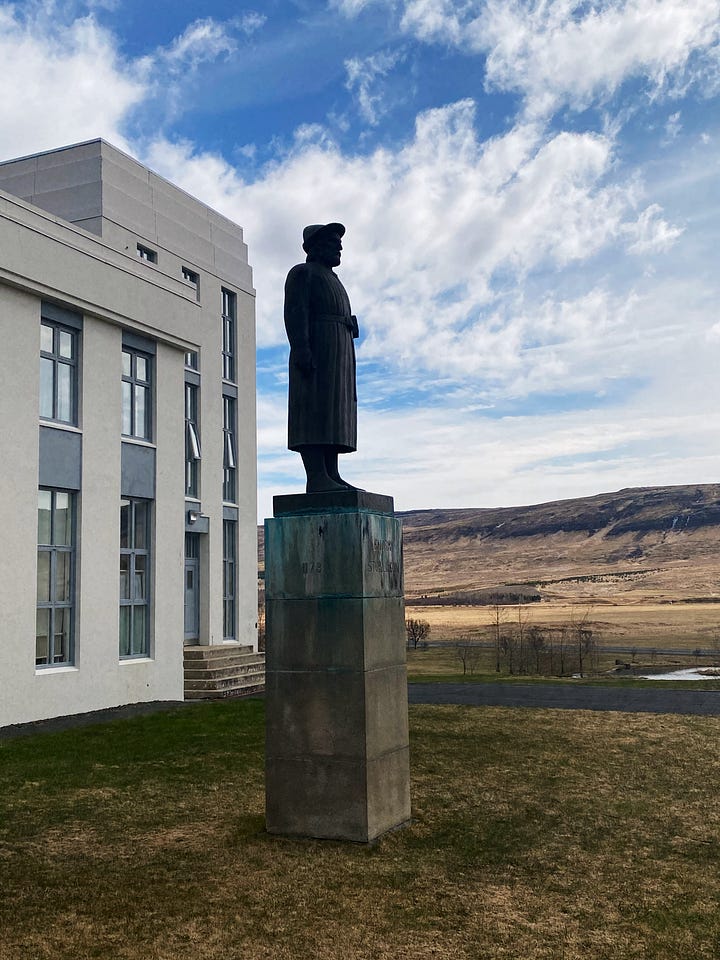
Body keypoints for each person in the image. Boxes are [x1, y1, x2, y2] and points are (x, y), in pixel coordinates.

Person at [284, 222, 362, 492]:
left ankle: (332, 473)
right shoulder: (302, 273)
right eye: (332, 243)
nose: (339, 247)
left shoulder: (334, 280)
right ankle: (316, 476)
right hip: (318, 350)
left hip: (338, 354)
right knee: (315, 410)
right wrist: (301, 347)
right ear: (314, 247)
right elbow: (295, 312)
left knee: (335, 413)